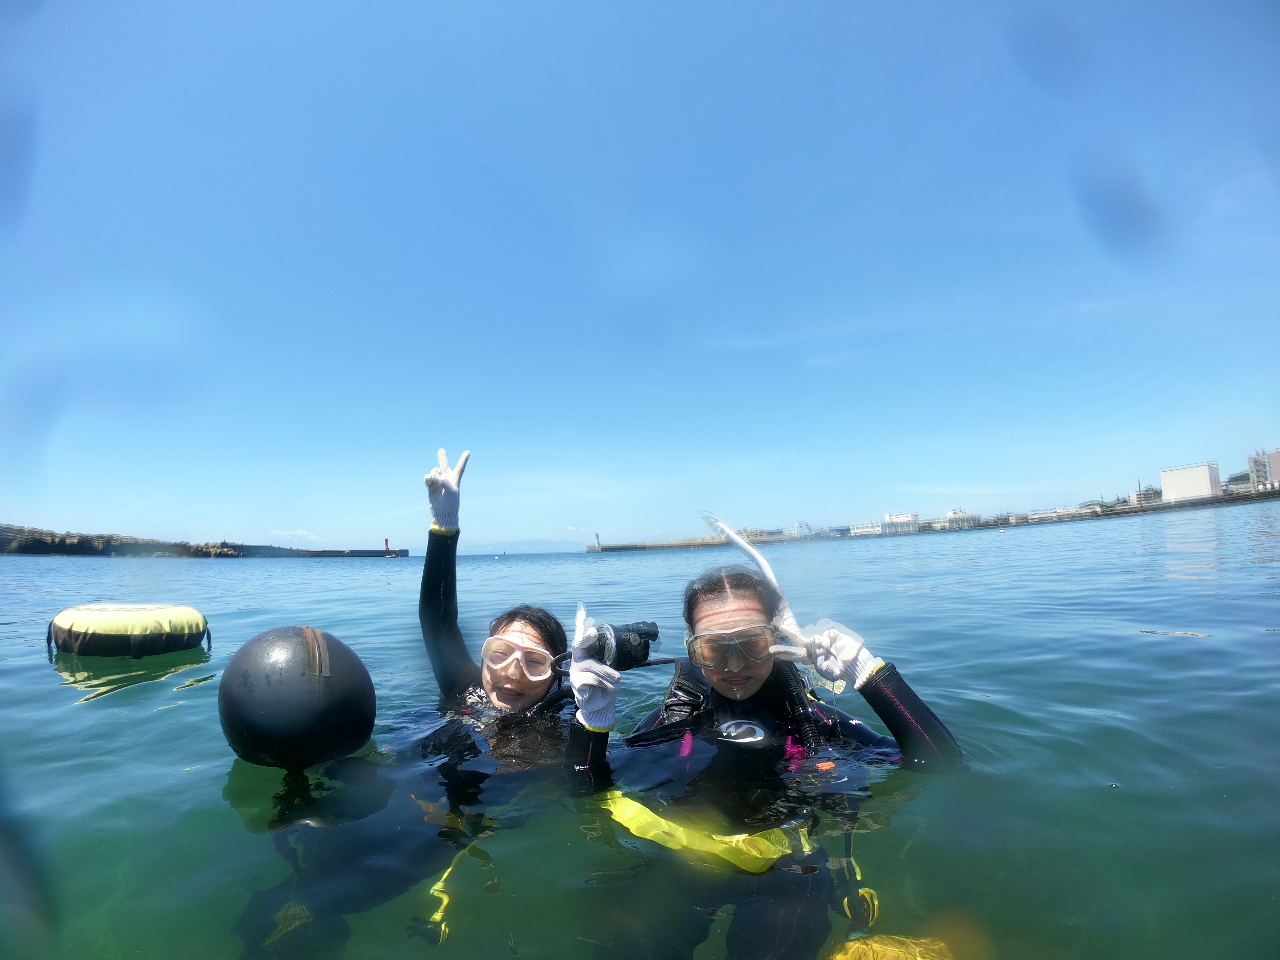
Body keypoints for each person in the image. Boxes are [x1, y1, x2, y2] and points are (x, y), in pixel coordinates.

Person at [230, 449, 622, 958]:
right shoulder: (467, 691)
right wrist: (444, 528)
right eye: (500, 654)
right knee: (305, 845)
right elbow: (437, 623)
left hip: (445, 822)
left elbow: (585, 788)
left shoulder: (561, 724)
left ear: (556, 676)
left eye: (533, 664)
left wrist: (596, 727)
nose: (510, 674)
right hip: (392, 782)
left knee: (345, 897)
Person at [572, 560, 964, 960]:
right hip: (681, 862)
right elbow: (585, 791)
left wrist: (870, 674)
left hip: (791, 875)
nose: (735, 664)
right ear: (694, 647)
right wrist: (592, 723)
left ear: (777, 641)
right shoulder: (673, 721)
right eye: (714, 647)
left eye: (752, 643)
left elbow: (942, 764)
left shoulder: (813, 721)